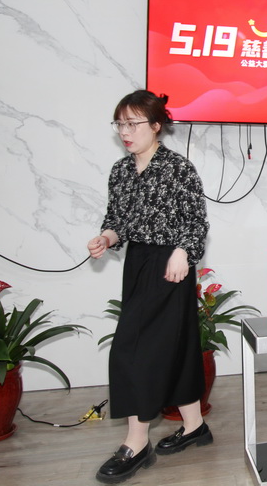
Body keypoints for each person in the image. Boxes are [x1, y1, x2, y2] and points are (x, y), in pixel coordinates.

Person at [87, 91, 211, 484]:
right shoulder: (120, 171)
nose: (125, 132)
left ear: (156, 126)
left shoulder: (178, 168)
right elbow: (117, 220)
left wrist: (182, 252)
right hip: (138, 263)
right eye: (120, 124)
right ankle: (195, 426)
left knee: (134, 349)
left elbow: (196, 222)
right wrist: (106, 238)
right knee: (177, 347)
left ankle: (136, 442)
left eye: (133, 123)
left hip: (172, 266)